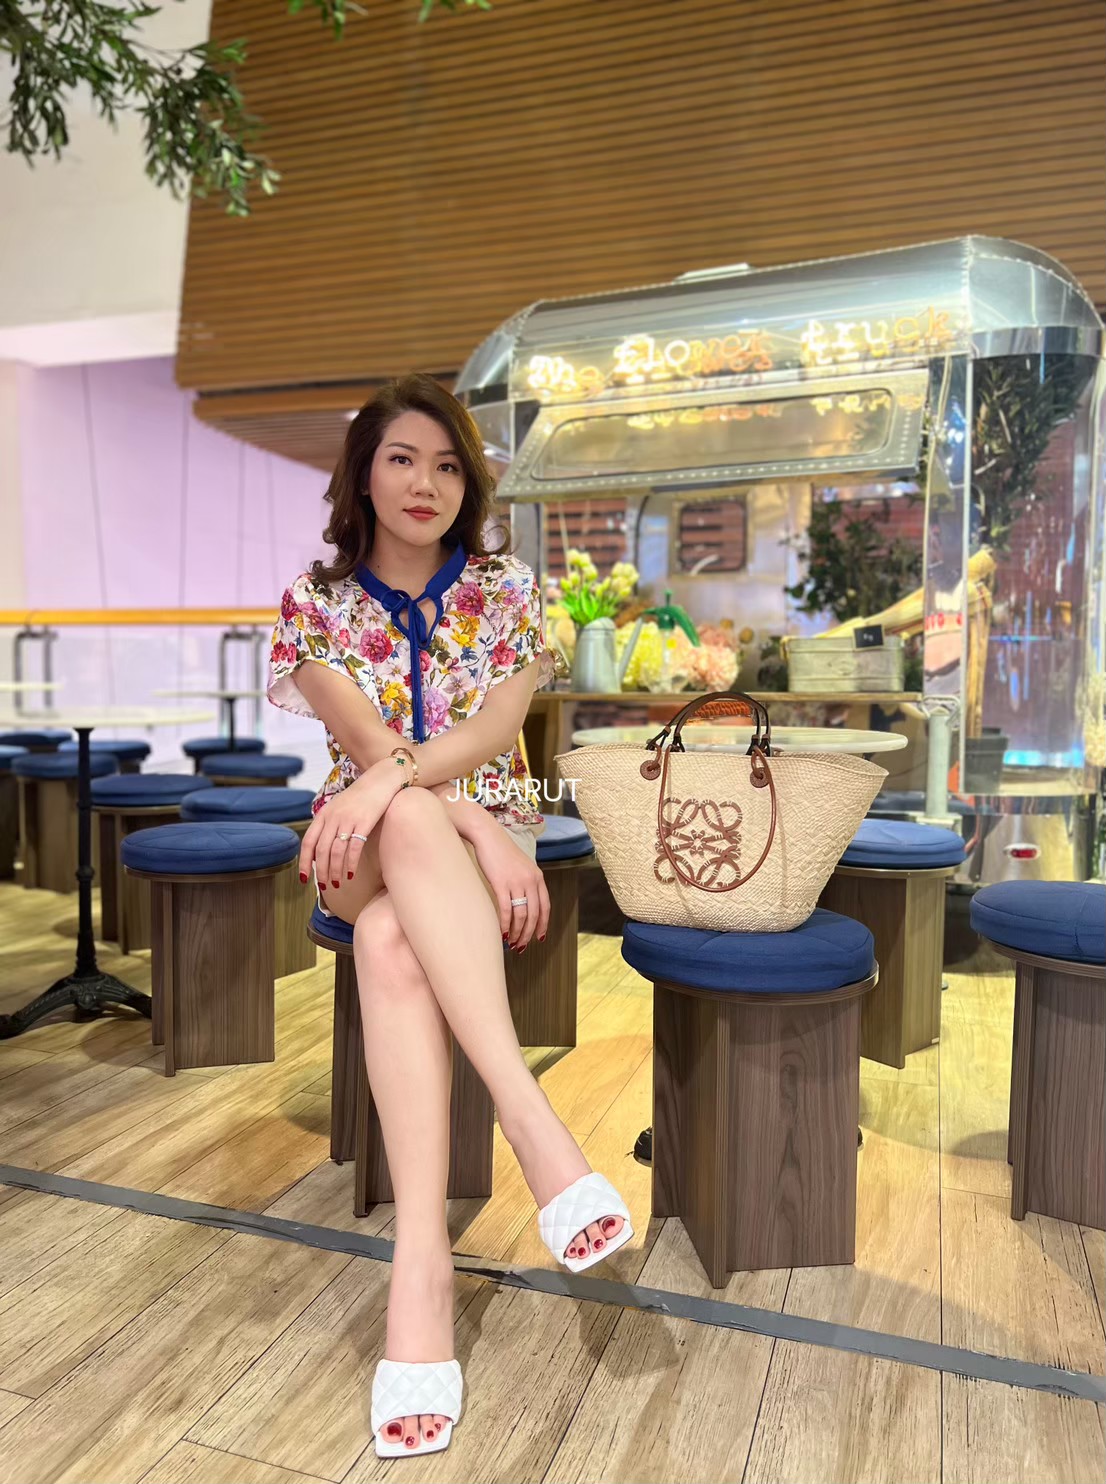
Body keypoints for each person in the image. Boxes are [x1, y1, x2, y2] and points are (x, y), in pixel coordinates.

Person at [267, 374, 633, 1460]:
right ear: (362, 475)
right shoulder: (314, 602)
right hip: (359, 843)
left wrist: (467, 816)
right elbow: (368, 753)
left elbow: (496, 730)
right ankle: (532, 1122)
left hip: (457, 839)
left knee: (392, 937)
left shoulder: (508, 590)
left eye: (445, 465)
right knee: (407, 829)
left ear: (468, 483)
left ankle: (418, 1268)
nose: (424, 483)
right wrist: (457, 815)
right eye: (400, 459)